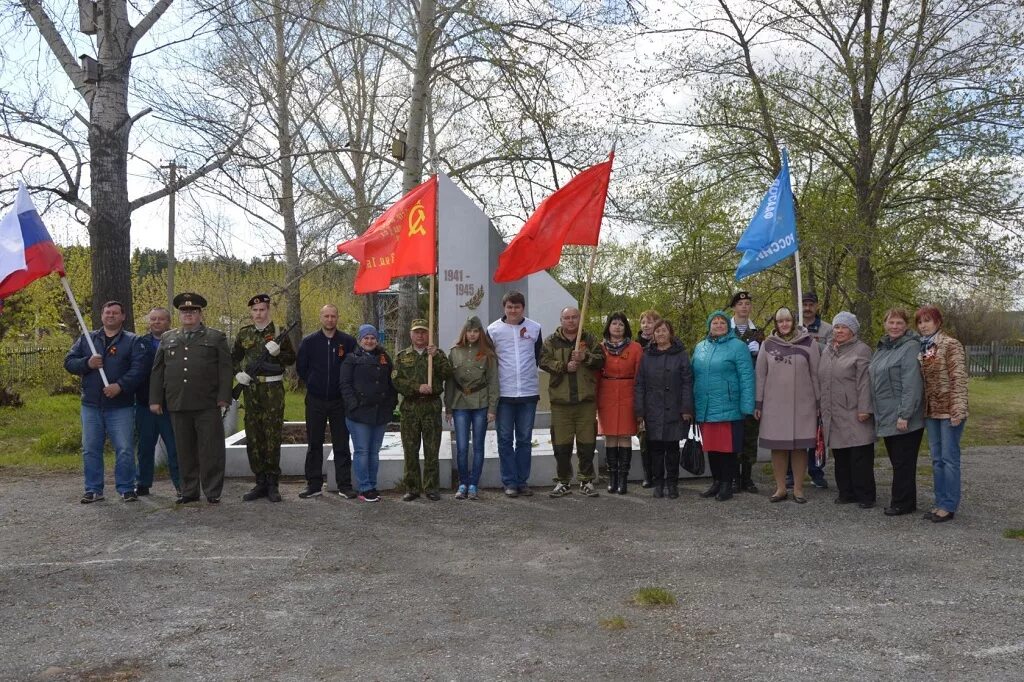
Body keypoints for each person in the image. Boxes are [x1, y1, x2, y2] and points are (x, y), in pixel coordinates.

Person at [149, 293, 233, 504]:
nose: (188, 315)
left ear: (200, 313)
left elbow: (225, 369)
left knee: (210, 449)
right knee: (183, 449)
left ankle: (212, 491)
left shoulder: (215, 337)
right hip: (178, 402)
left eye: (193, 311)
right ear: (179, 314)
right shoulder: (168, 338)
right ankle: (189, 490)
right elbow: (158, 371)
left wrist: (224, 396)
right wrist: (155, 399)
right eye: (185, 312)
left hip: (207, 402)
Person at [64, 300, 148, 503]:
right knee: (91, 448)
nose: (110, 316)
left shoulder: (133, 341)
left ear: (123, 316)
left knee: (125, 448)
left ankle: (126, 488)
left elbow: (139, 370)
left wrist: (120, 386)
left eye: (115, 313)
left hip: (121, 406)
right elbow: (69, 362)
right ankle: (93, 489)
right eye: (107, 312)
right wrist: (87, 363)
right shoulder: (87, 339)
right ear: (101, 315)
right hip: (91, 405)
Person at [232, 294, 297, 503]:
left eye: (262, 310)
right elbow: (233, 358)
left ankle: (272, 483)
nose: (259, 314)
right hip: (251, 389)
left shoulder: (279, 332)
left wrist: (278, 353)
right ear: (251, 312)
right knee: (254, 435)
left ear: (268, 310)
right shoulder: (244, 334)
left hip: (272, 390)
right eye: (255, 310)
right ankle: (259, 481)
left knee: (272, 435)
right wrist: (237, 374)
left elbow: (291, 359)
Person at [755, 307, 820, 504]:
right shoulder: (767, 344)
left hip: (803, 404)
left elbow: (816, 375)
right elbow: (760, 375)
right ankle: (781, 488)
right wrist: (758, 403)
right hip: (774, 406)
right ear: (776, 323)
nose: (784, 324)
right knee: (779, 448)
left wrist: (818, 403)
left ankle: (799, 489)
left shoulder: (809, 343)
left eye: (788, 320)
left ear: (794, 321)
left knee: (800, 447)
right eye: (780, 321)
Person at [540, 306, 605, 497]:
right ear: (561, 320)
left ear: (579, 319)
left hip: (585, 400)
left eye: (574, 317)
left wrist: (585, 357)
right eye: (567, 318)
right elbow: (543, 361)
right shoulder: (551, 341)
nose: (571, 321)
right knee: (561, 445)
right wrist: (562, 366)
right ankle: (563, 481)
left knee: (587, 443)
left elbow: (602, 361)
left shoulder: (589, 339)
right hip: (561, 401)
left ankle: (586, 480)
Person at [692, 310, 755, 502]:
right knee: (711, 447)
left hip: (729, 406)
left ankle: (728, 483)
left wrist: (747, 406)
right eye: (715, 323)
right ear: (709, 326)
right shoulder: (700, 347)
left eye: (722, 323)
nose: (718, 326)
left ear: (728, 326)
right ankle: (717, 481)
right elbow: (692, 375)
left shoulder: (738, 346)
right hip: (706, 406)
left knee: (727, 449)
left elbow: (747, 377)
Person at [296, 304, 357, 499]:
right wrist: (314, 383)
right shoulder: (309, 342)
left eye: (333, 316)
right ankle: (313, 484)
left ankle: (344, 485)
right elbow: (301, 368)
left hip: (339, 401)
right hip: (315, 400)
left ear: (337, 318)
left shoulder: (347, 341)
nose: (330, 319)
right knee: (314, 443)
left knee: (341, 443)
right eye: (326, 316)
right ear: (321, 318)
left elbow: (353, 367)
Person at [487, 291, 543, 497]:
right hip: (504, 394)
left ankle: (522, 481)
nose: (513, 310)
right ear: (504, 308)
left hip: (528, 393)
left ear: (523, 308)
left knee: (525, 439)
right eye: (509, 307)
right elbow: (489, 362)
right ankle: (509, 482)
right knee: (504, 439)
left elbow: (539, 356)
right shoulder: (493, 330)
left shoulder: (535, 328)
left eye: (517, 307)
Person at [869, 308, 925, 517]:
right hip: (886, 414)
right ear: (885, 324)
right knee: (898, 462)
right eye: (891, 322)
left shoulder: (910, 347)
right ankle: (906, 501)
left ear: (906, 325)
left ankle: (901, 503)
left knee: (903, 462)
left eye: (899, 323)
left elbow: (912, 384)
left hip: (903, 417)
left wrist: (905, 415)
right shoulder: (883, 347)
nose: (894, 327)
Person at [818, 312, 876, 508]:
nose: (839, 331)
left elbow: (865, 382)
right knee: (841, 454)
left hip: (855, 410)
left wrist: (865, 408)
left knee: (859, 454)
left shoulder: (862, 350)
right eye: (836, 327)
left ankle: (865, 495)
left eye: (844, 327)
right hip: (833, 411)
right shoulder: (827, 351)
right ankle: (846, 492)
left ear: (853, 330)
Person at [917, 305, 969, 523]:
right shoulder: (924, 348)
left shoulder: (950, 344)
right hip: (932, 411)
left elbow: (959, 378)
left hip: (950, 411)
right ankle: (939, 503)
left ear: (938, 322)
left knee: (949, 459)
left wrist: (958, 408)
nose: (923, 325)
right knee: (937, 459)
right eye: (920, 322)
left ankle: (949, 506)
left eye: (927, 320)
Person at [393, 318, 452, 501]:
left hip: (431, 407)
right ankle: (412, 487)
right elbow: (396, 380)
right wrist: (416, 387)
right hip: (410, 407)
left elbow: (448, 374)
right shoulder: (402, 356)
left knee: (431, 449)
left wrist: (437, 357)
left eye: (424, 332)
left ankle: (431, 487)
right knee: (410, 450)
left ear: (429, 334)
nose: (420, 335)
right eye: (417, 332)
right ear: (411, 334)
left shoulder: (436, 354)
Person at [634, 319, 694, 499]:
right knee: (656, 450)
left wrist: (686, 407)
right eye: (657, 331)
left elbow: (687, 382)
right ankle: (658, 483)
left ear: (670, 333)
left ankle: (672, 483)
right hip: (653, 409)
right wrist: (640, 411)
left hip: (675, 409)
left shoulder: (681, 354)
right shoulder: (646, 356)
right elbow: (639, 385)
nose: (660, 334)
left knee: (673, 449)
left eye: (664, 330)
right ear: (653, 334)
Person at [341, 324, 398, 502]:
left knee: (374, 452)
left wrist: (390, 404)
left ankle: (372, 485)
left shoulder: (384, 358)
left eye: (372, 337)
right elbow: (345, 384)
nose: (369, 341)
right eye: (366, 337)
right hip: (359, 414)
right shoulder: (351, 358)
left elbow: (391, 383)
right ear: (360, 339)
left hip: (380, 413)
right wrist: (354, 405)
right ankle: (364, 487)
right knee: (362, 451)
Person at [445, 316, 499, 500]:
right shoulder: (454, 352)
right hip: (460, 403)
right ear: (464, 332)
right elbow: (450, 383)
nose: (473, 334)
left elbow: (493, 382)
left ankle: (474, 484)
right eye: (469, 331)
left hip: (481, 403)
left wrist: (492, 408)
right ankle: (462, 483)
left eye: (476, 331)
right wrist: (449, 407)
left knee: (478, 446)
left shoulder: (488, 353)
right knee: (461, 447)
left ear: (480, 333)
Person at [134, 306, 180, 496]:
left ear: (168, 322)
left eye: (160, 319)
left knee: (174, 447)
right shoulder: (139, 343)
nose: (156, 322)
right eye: (153, 319)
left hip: (171, 405)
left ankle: (180, 485)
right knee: (145, 447)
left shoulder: (178, 341)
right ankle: (143, 482)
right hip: (145, 404)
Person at [596, 312, 643, 494]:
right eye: (614, 323)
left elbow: (640, 376)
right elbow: (595, 375)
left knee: (624, 436)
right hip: (606, 393)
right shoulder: (600, 348)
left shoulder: (636, 348)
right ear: (608, 326)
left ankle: (623, 479)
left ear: (626, 328)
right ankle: (612, 478)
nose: (617, 327)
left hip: (628, 392)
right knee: (610, 436)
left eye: (621, 324)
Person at [797, 290, 833, 489]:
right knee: (795, 430)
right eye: (804, 304)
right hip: (796, 386)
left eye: (811, 304)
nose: (807, 308)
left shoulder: (828, 330)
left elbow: (829, 353)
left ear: (817, 306)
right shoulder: (791, 327)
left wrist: (808, 342)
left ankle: (816, 470)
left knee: (816, 431)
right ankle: (791, 473)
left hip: (818, 384)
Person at [729, 291, 764, 493]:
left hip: (750, 389)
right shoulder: (726, 330)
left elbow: (765, 363)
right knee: (734, 434)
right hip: (731, 391)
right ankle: (733, 477)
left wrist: (759, 352)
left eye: (747, 303)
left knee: (750, 433)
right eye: (740, 303)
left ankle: (747, 477)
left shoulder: (758, 332)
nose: (744, 307)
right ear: (734, 307)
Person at [634, 309, 661, 488]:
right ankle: (647, 474)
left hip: (661, 396)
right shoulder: (634, 345)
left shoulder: (664, 342)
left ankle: (660, 474)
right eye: (643, 322)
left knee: (660, 439)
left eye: (650, 322)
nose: (646, 325)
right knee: (644, 437)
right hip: (642, 395)